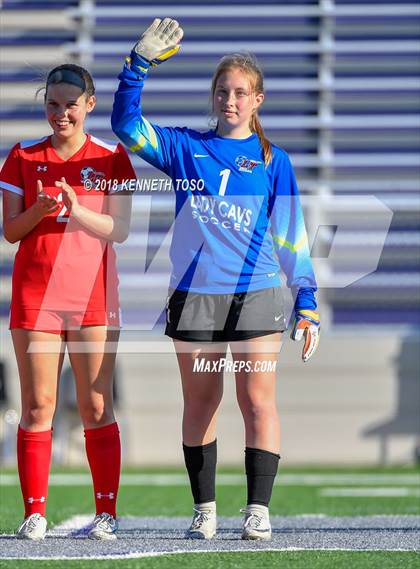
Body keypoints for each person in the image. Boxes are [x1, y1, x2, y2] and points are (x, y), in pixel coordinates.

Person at [112, 19, 320, 541]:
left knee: (257, 400)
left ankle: (257, 509)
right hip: (195, 297)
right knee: (201, 403)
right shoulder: (183, 148)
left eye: (240, 93)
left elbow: (292, 236)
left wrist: (307, 300)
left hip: (257, 294)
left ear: (258, 100)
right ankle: (204, 509)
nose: (230, 100)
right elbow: (126, 126)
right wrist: (136, 67)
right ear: (214, 97)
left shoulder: (276, 161)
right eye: (223, 92)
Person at [1, 63, 136, 540]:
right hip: (36, 295)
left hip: (92, 295)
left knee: (96, 404)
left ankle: (106, 512)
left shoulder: (111, 158)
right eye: (52, 105)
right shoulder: (22, 155)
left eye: (70, 106)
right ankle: (34, 512)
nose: (61, 114)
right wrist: (38, 210)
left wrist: (78, 210)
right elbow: (11, 231)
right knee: (38, 405)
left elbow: (119, 229)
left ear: (89, 106)